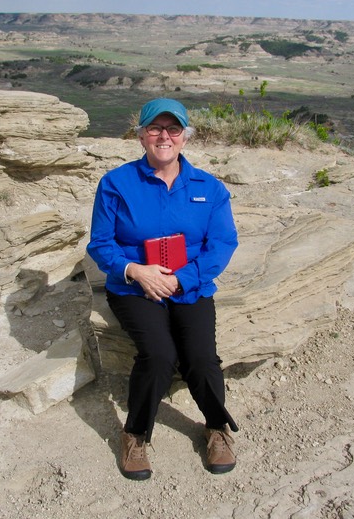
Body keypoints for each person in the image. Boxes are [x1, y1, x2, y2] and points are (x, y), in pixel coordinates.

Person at [86, 97, 239, 481]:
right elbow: (100, 244)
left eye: (173, 129)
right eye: (155, 128)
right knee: (158, 355)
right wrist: (135, 270)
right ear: (141, 136)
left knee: (201, 359)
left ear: (185, 138)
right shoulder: (116, 184)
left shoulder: (210, 187)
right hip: (136, 288)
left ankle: (216, 428)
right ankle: (135, 434)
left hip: (190, 287)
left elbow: (221, 244)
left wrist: (180, 279)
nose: (164, 136)